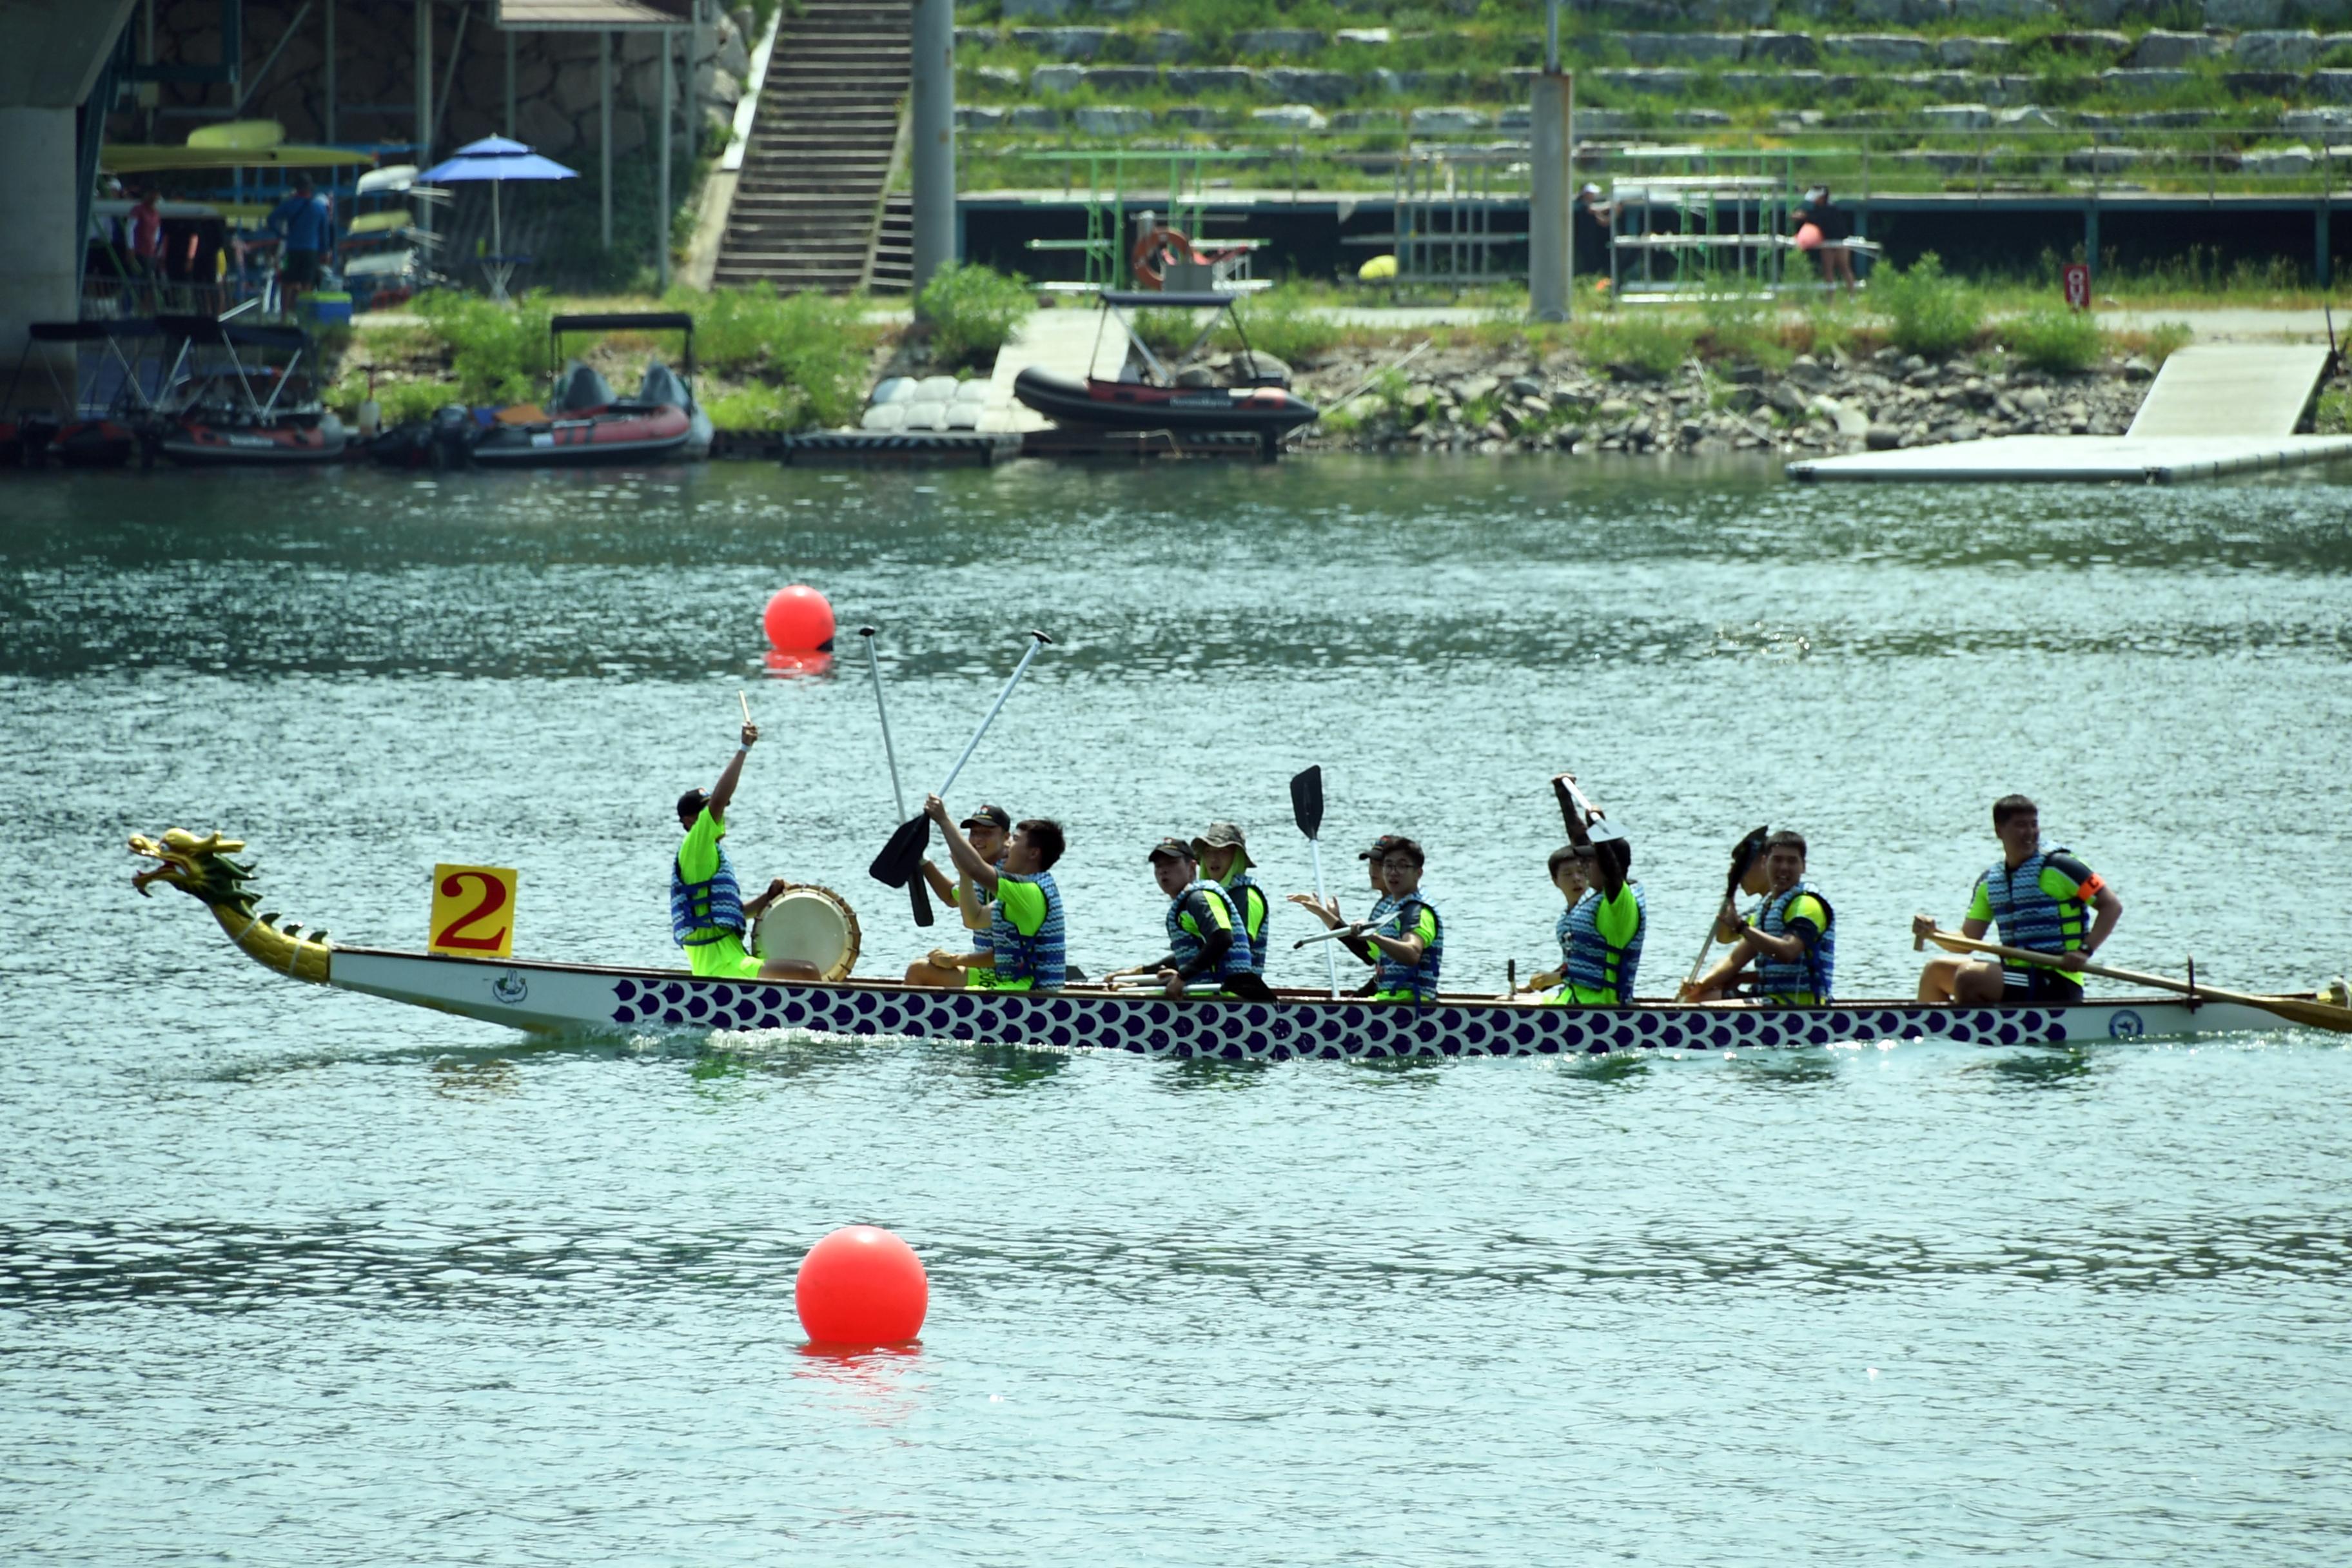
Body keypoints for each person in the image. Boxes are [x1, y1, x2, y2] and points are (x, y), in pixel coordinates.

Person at [1915, 796, 2121, 1006]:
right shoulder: (1989, 882)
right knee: (1935, 971)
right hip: (2017, 978)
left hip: (2057, 981)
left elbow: (2111, 906)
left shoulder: (2062, 867)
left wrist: (2084, 951)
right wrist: (1934, 934)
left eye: (2034, 824)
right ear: (1999, 831)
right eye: (2021, 826)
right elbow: (1968, 939)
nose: (2030, 833)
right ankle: (1930, 1035)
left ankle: (1971, 1034)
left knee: (1970, 977)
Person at [671, 718, 821, 982]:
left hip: (731, 961)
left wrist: (768, 897)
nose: (720, 813)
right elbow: (718, 800)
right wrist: (744, 748)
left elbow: (734, 913)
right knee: (808, 973)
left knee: (805, 967)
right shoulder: (696, 844)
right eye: (708, 811)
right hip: (722, 968)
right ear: (690, 821)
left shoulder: (709, 855)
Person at [926, 794, 1066, 992]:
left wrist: (943, 820)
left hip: (1033, 995)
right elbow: (972, 919)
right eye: (974, 833)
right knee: (921, 970)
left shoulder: (1029, 891)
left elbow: (975, 869)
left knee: (924, 972)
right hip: (1012, 982)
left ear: (1034, 853)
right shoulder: (1022, 885)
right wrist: (925, 862)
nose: (1009, 846)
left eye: (1015, 840)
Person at [1104, 839, 1275, 1000]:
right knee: (1129, 987)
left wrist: (1181, 977)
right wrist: (1141, 975)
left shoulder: (1198, 899)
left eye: (1172, 863)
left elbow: (1223, 938)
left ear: (1192, 868)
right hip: (1212, 993)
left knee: (1122, 992)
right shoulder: (1188, 902)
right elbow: (1202, 951)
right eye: (1159, 865)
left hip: (1228, 998)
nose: (1163, 870)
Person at [1681, 830, 1834, 1004]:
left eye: (1792, 861)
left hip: (1800, 1006)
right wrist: (1699, 985)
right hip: (1769, 999)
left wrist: (1741, 926)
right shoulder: (1766, 907)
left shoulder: (1807, 904)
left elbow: (1787, 952)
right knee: (1694, 999)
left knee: (1704, 1008)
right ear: (1765, 862)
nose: (1784, 867)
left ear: (1803, 866)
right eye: (1777, 859)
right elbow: (1734, 960)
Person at [904, 803, 1011, 988]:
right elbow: (951, 896)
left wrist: (954, 960)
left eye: (987, 833)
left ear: (1006, 837)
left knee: (918, 971)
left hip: (1009, 976)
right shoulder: (983, 871)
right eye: (974, 833)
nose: (978, 839)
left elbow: (1006, 953)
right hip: (991, 970)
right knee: (921, 969)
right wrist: (922, 859)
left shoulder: (1004, 874)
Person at [1543, 819, 1645, 1006]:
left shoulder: (1621, 902)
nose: (1585, 869)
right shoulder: (1594, 898)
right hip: (1572, 999)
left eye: (1591, 863)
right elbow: (1578, 839)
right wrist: (1563, 791)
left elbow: (1611, 868)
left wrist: (1598, 828)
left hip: (1601, 1008)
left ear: (1608, 868)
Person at [1288, 833, 1401, 992]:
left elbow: (1368, 955)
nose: (1373, 870)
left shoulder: (1398, 907)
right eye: (1371, 864)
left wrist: (1323, 913)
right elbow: (1369, 955)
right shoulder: (1384, 905)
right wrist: (1333, 918)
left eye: (1380, 864)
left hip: (1402, 999)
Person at [1343, 838, 1442, 1004]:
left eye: (1403, 866)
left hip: (1409, 1005)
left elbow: (1412, 953)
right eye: (1388, 865)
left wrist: (1374, 937)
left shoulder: (1417, 910)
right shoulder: (1395, 909)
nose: (1393, 872)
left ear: (1418, 873)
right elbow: (1373, 954)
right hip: (1392, 1001)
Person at [1194, 820, 1271, 981]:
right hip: (1206, 985)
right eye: (1208, 851)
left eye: (1222, 852)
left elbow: (1236, 950)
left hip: (1238, 998)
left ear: (1237, 857)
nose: (1213, 859)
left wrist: (1184, 972)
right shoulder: (1205, 895)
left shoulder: (1247, 896)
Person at [1517, 842, 1589, 997]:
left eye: (1581, 872)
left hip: (1593, 1000)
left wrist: (1553, 979)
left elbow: (1591, 967)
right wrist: (1533, 988)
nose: (1576, 879)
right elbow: (1573, 963)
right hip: (1572, 994)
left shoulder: (1594, 914)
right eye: (1568, 874)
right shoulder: (1565, 918)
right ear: (1555, 881)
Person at [265, 175, 334, 310]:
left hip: (293, 250)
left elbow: (271, 219)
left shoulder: (290, 205)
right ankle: (304, 315)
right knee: (307, 285)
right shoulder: (319, 208)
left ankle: (284, 317)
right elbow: (324, 233)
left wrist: (281, 235)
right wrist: (325, 250)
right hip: (311, 251)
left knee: (287, 283)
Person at [1794, 185, 1856, 297]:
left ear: (1822, 197)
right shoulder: (1818, 208)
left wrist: (1805, 216)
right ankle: (1831, 298)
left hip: (1839, 242)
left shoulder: (1831, 209)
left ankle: (1852, 296)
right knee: (1828, 271)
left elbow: (1820, 219)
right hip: (1827, 243)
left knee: (1845, 268)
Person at [129, 188, 164, 279]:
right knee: (137, 279)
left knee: (148, 280)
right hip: (138, 251)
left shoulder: (156, 214)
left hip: (150, 252)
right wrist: (130, 247)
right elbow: (130, 229)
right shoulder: (138, 210)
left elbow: (157, 231)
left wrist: (155, 246)